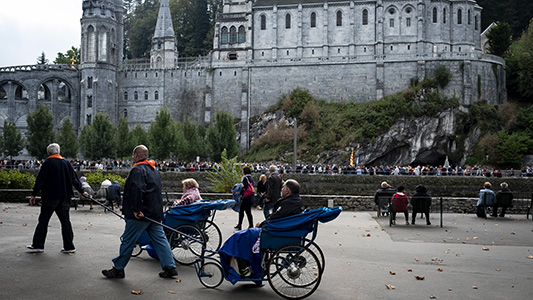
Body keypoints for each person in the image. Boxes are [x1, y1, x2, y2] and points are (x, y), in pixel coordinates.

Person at [102, 145, 177, 279]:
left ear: (136, 155)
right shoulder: (153, 169)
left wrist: (136, 209)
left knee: (128, 240)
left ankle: (118, 268)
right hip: (154, 212)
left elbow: (137, 190)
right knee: (160, 240)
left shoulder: (137, 170)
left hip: (140, 214)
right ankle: (170, 267)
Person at [221, 179, 304, 280]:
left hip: (273, 231)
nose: (281, 189)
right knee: (244, 235)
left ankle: (243, 265)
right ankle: (246, 265)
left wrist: (262, 224)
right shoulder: (294, 200)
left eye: (283, 188)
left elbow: (276, 217)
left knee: (240, 236)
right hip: (276, 229)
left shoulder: (290, 202)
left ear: (288, 191)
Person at [27, 143, 88, 253]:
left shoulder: (48, 163)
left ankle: (38, 244)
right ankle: (69, 246)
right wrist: (82, 191)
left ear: (48, 153)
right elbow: (75, 179)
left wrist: (34, 194)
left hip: (50, 196)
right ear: (58, 151)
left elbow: (40, 180)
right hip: (64, 197)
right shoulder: (66, 163)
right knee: (65, 222)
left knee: (43, 221)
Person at [235, 166, 254, 230]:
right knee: (245, 212)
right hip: (250, 197)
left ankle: (247, 225)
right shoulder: (250, 178)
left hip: (246, 197)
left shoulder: (245, 178)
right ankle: (242, 224)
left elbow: (244, 187)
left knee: (245, 212)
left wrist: (239, 188)